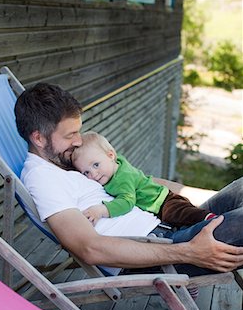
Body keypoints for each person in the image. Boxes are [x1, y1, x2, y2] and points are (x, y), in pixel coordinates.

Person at [15, 82, 243, 277]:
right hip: (159, 254)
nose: (78, 141)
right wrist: (188, 252)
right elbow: (89, 248)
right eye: (70, 135)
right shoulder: (42, 177)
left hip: (167, 224)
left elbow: (139, 180)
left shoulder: (67, 161)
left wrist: (207, 197)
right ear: (39, 138)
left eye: (78, 132)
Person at [71, 131, 216, 227]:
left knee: (182, 214)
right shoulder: (115, 164)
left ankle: (209, 219)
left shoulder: (122, 178)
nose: (93, 174)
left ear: (110, 155)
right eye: (86, 173)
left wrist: (101, 210)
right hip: (160, 201)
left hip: (163, 202)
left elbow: (127, 202)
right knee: (181, 223)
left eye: (96, 165)